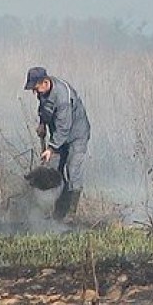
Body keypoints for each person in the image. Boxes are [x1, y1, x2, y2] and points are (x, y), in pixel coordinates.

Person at [24, 67, 91, 222]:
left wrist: (51, 148)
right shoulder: (43, 93)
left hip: (76, 136)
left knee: (72, 170)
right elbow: (44, 110)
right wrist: (42, 124)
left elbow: (64, 127)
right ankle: (57, 211)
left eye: (36, 88)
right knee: (54, 170)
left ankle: (71, 214)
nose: (35, 93)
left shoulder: (63, 97)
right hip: (59, 136)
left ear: (45, 82)